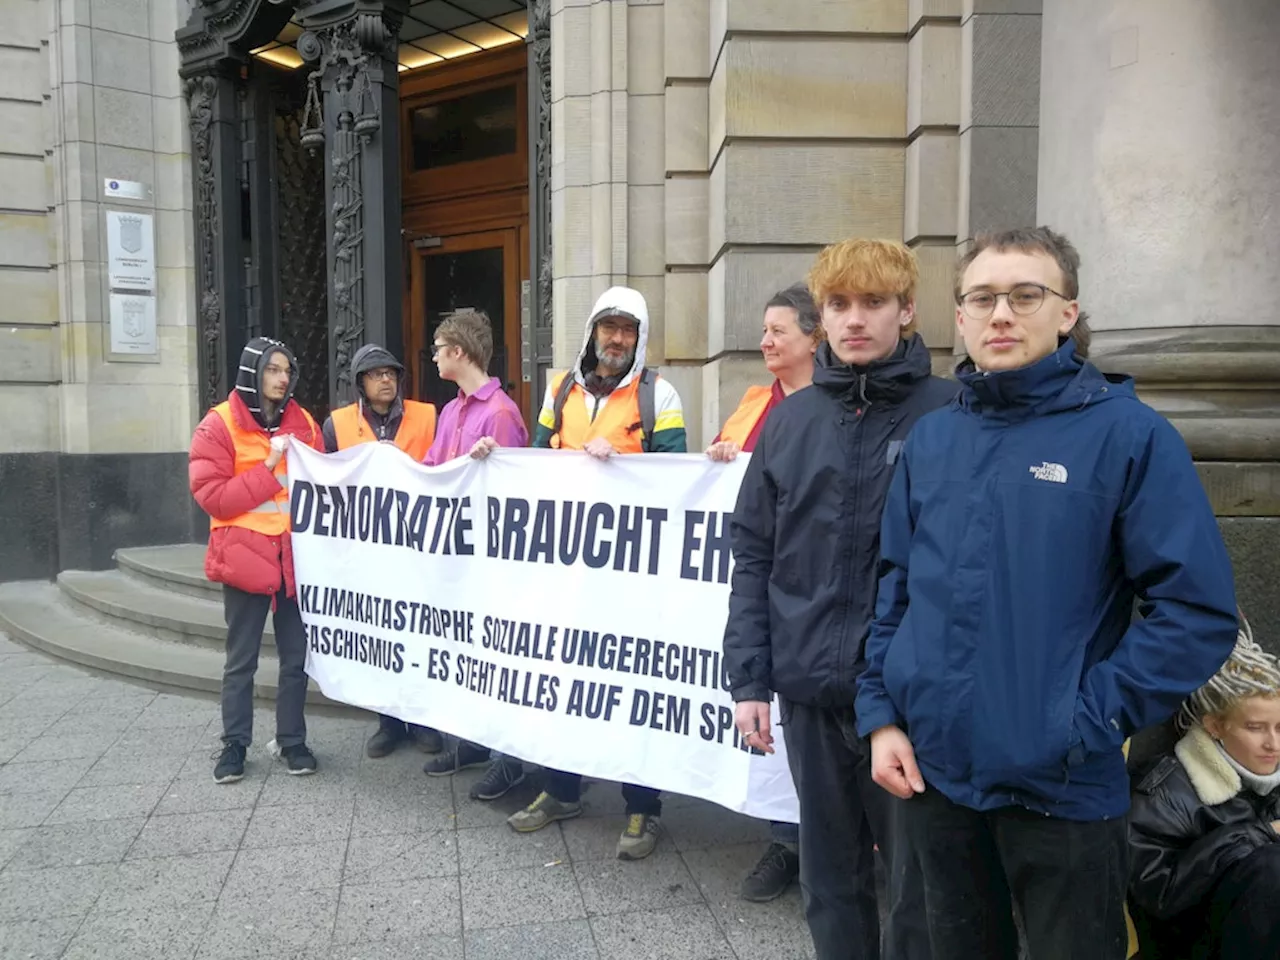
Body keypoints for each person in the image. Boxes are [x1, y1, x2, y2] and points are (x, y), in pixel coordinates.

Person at [856, 226, 1239, 960]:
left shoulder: (1130, 436)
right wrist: (881, 715)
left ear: (1066, 312)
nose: (1002, 314)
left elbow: (1193, 612)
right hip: (933, 779)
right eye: (982, 298)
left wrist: (1082, 718)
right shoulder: (933, 441)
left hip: (1061, 789)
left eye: (1025, 295)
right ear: (960, 317)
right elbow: (897, 588)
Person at [724, 240, 955, 958]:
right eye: (839, 305)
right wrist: (749, 679)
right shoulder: (789, 421)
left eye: (874, 303)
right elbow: (755, 554)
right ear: (822, 317)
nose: (855, 320)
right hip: (813, 696)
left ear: (907, 310)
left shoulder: (950, 414)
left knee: (920, 891)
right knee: (829, 882)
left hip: (913, 703)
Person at [492, 285, 687, 860]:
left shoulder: (660, 394)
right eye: (610, 328)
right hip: (568, 571)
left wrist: (622, 465)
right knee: (563, 681)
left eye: (628, 331)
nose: (618, 340)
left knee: (633, 685)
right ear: (593, 332)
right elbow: (535, 457)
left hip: (630, 576)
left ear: (639, 338)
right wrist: (493, 460)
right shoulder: (561, 390)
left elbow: (677, 479)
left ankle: (642, 808)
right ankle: (561, 789)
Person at [706, 282, 823, 902]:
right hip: (761, 583)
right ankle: (787, 840)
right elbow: (724, 471)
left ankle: (828, 845)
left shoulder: (835, 405)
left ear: (814, 337)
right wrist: (719, 455)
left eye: (779, 330)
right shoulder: (755, 401)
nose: (766, 341)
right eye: (764, 330)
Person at [189, 336, 324, 783]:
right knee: (241, 658)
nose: (282, 378)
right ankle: (234, 746)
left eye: (286, 370)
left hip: (292, 557)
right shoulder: (218, 424)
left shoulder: (303, 421)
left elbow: (322, 484)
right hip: (245, 558)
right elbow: (214, 498)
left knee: (295, 656)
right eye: (272, 369)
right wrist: (267, 468)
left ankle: (292, 741)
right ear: (253, 372)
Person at [418, 310, 529, 801]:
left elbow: (514, 498)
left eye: (439, 347)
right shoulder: (450, 411)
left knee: (497, 654)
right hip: (457, 559)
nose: (435, 355)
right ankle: (474, 742)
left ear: (459, 352)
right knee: (466, 652)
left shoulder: (500, 413)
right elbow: (431, 470)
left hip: (491, 565)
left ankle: (509, 757)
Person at [1128, 614, 1280, 960]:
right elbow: (1157, 894)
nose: (1272, 743)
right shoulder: (1166, 791)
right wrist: (1262, 834)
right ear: (1214, 726)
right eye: (1256, 728)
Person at [322, 343, 444, 760]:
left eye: (391, 373)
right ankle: (389, 722)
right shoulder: (336, 425)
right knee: (382, 638)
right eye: (376, 374)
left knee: (422, 634)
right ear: (360, 383)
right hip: (368, 550)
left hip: (420, 548)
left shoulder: (428, 415)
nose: (386, 379)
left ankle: (425, 719)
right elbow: (325, 484)